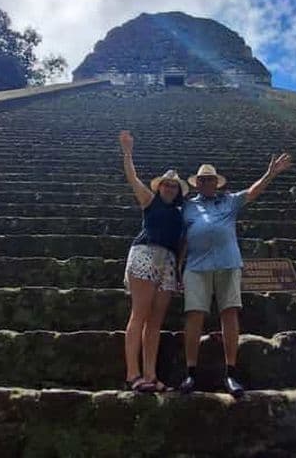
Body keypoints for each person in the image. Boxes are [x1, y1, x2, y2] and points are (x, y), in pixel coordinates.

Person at [178, 155, 292, 397]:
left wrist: (270, 173)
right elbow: (182, 238)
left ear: (216, 183)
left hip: (228, 263)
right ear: (196, 183)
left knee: (229, 312)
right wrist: (177, 268)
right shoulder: (187, 206)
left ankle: (230, 372)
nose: (206, 183)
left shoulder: (229, 201)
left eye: (210, 179)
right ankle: (191, 372)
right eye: (202, 180)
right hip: (196, 266)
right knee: (194, 315)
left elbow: (252, 192)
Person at [119, 130, 188, 393]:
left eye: (174, 186)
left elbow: (184, 243)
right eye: (166, 185)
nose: (170, 188)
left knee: (155, 322)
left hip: (169, 263)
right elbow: (132, 178)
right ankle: (132, 374)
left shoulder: (181, 213)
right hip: (145, 255)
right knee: (139, 314)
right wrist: (127, 152)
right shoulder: (149, 200)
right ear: (159, 187)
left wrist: (179, 269)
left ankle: (150, 375)